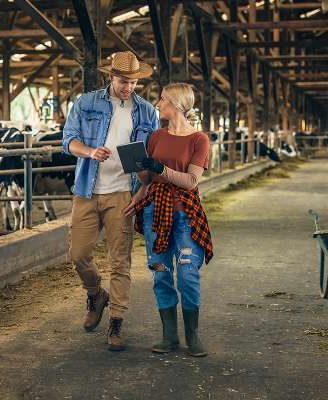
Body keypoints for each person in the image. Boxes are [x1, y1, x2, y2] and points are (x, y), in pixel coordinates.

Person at [62, 51, 159, 351]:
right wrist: (90, 151)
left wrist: (142, 191)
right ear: (110, 76)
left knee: (120, 260)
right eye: (122, 81)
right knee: (78, 254)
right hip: (87, 189)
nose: (128, 87)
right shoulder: (86, 102)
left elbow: (152, 156)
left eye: (133, 82)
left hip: (123, 192)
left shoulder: (146, 112)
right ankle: (96, 294)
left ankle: (116, 322)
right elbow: (68, 140)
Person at [126, 83, 214, 357]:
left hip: (185, 212)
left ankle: (193, 336)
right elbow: (149, 180)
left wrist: (159, 168)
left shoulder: (199, 139)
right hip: (155, 209)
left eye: (162, 99)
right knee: (161, 272)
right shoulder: (155, 137)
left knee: (188, 273)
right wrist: (139, 172)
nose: (158, 104)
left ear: (176, 104)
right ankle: (169, 336)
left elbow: (190, 181)